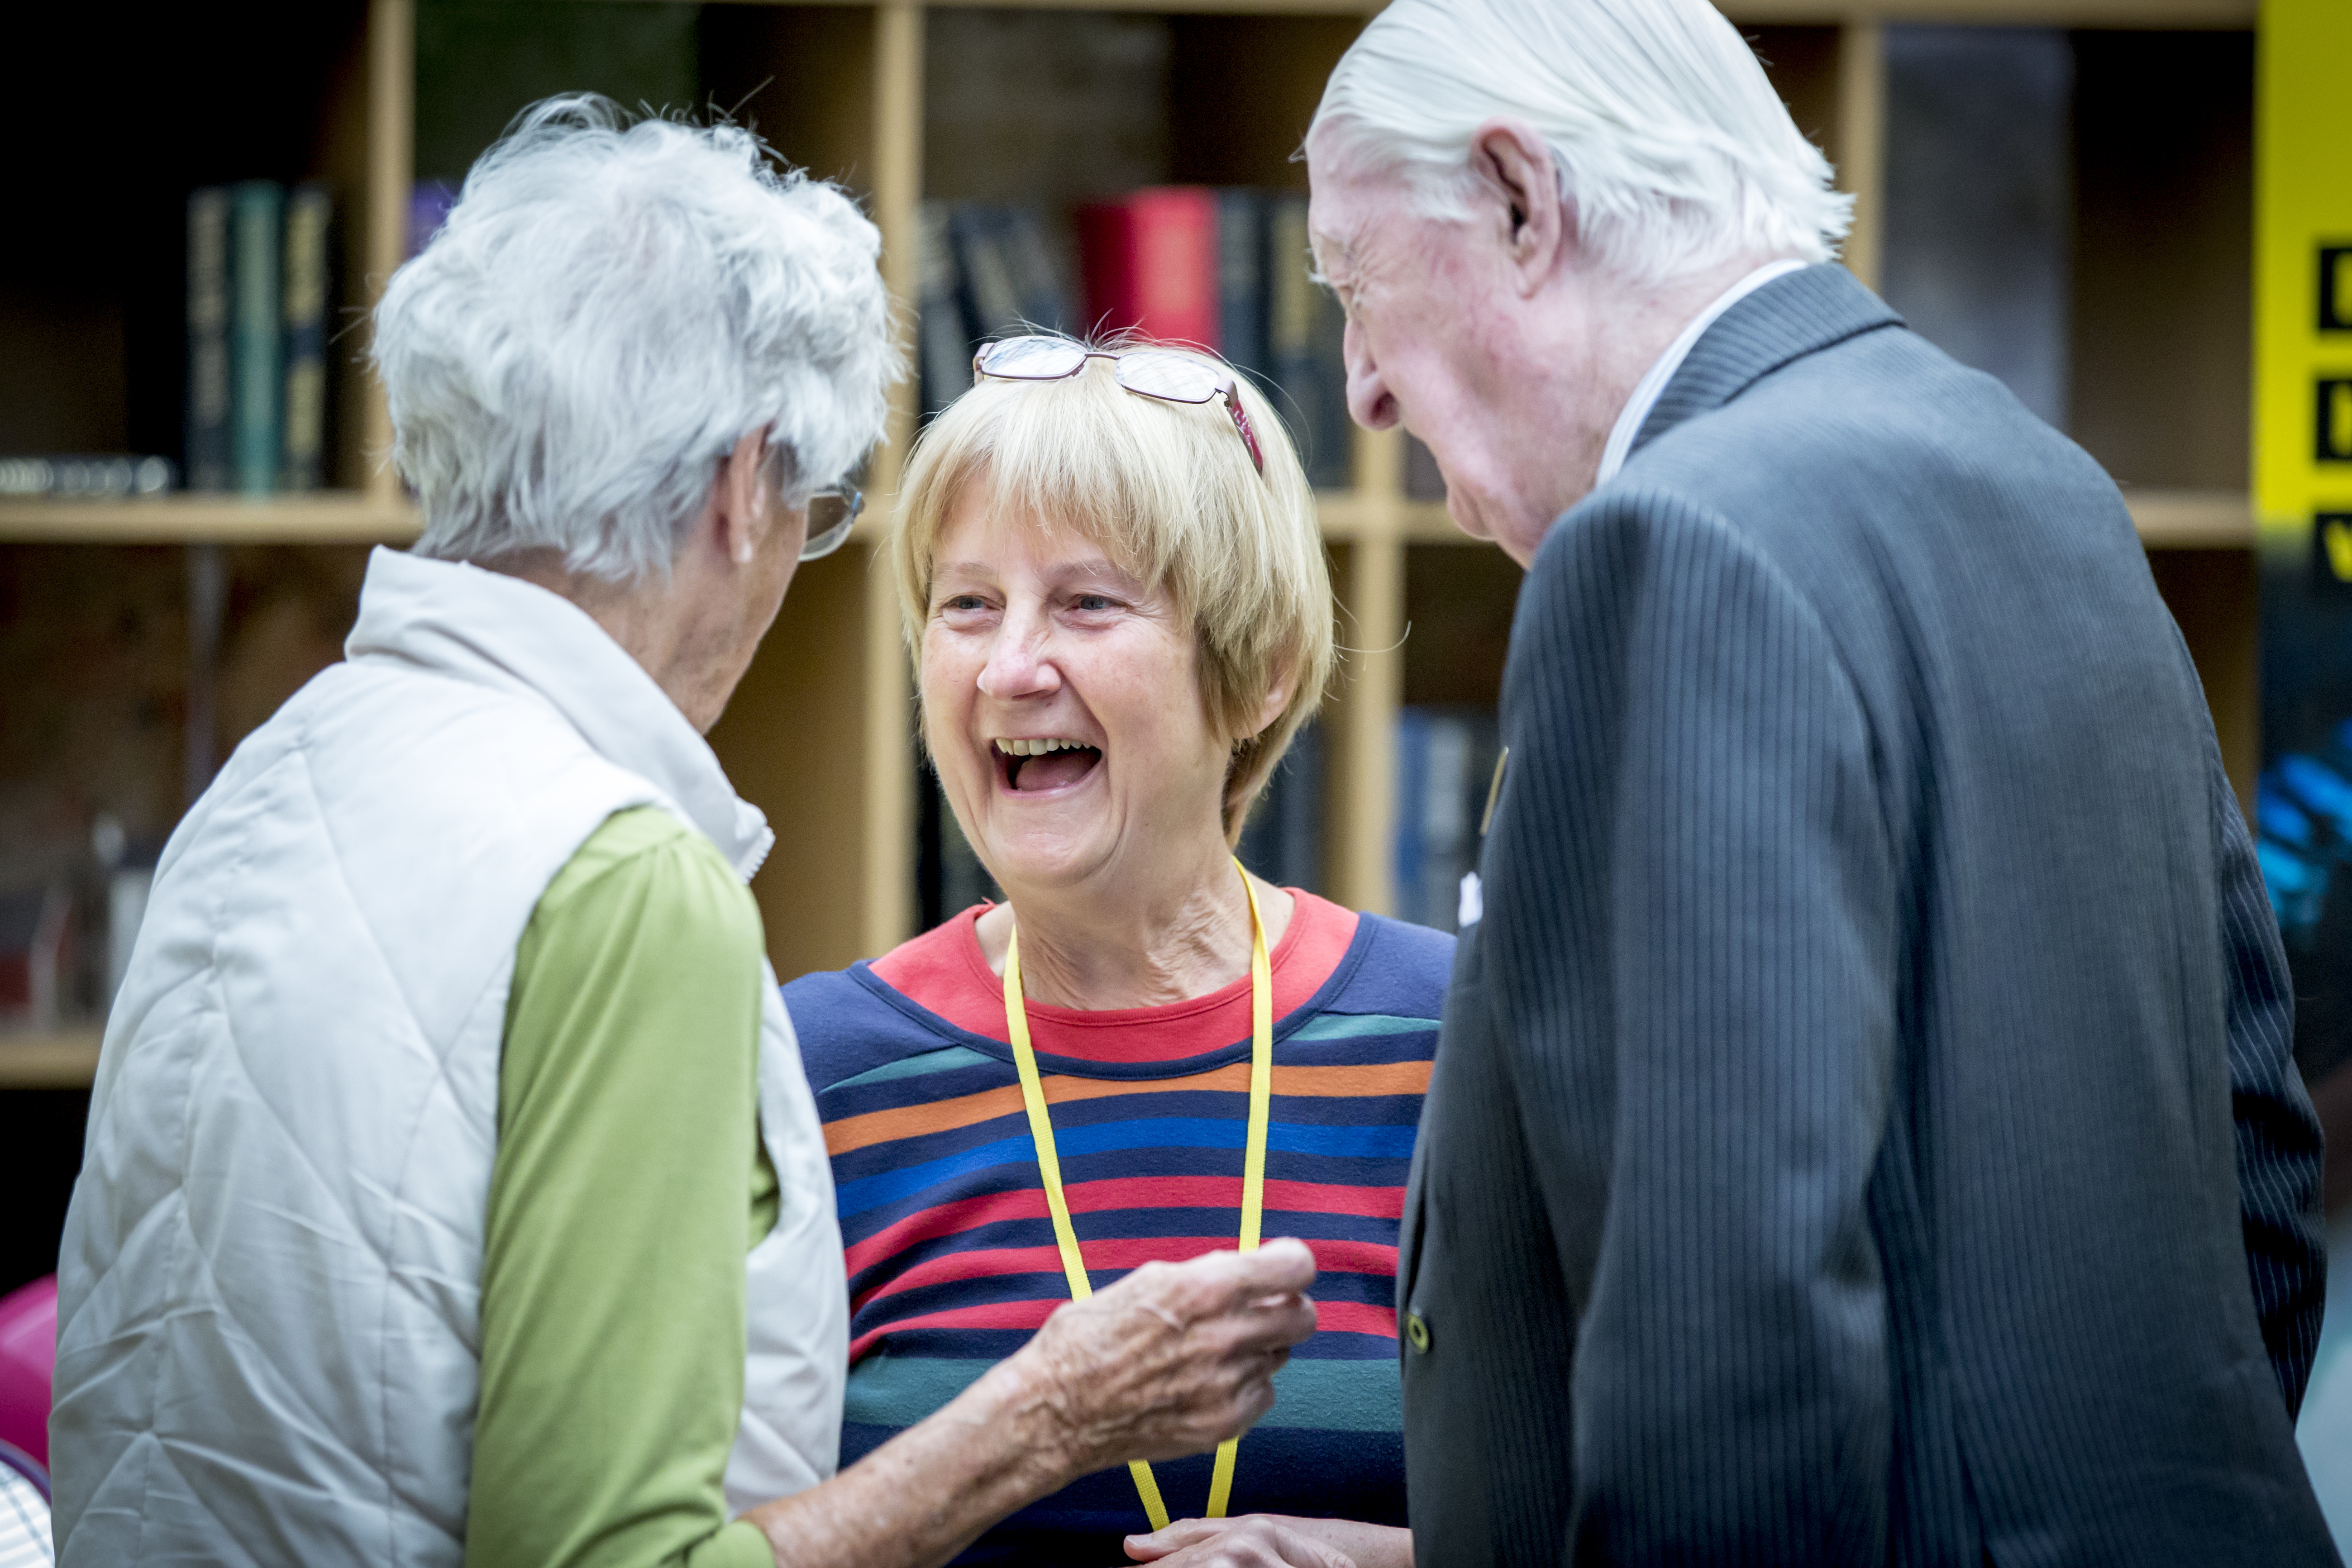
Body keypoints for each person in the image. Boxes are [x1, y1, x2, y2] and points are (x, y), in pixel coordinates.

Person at [49, 100, 1317, 1568]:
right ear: (739, 485)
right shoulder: (620, 876)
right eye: (817, 503)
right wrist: (1045, 1416)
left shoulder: (267, 783)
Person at [1300, 1, 2337, 1563]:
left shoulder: (1670, 547)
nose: (1363, 386)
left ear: (1523, 202)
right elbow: (2255, 1161)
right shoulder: (2045, 481)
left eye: (1354, 286)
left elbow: (1730, 1334)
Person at [782, 336, 1449, 1568]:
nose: (1009, 665)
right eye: (966, 602)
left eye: (1088, 601)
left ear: (1260, 670)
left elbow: (1646, 1510)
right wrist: (1032, 1425)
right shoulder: (805, 1069)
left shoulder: (1455, 1045)